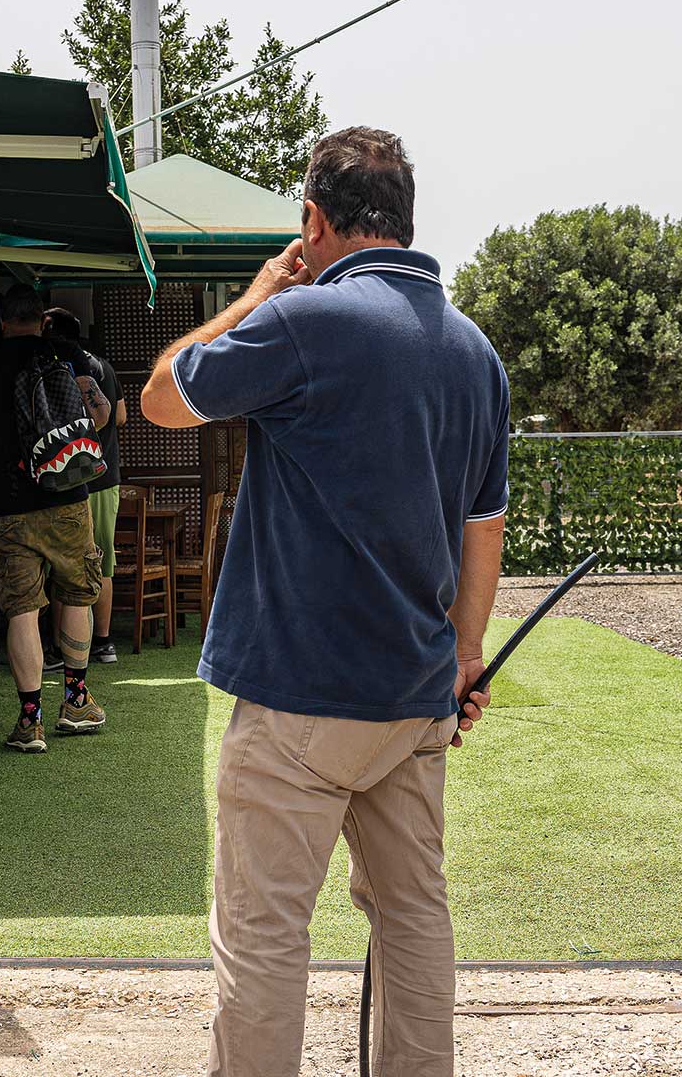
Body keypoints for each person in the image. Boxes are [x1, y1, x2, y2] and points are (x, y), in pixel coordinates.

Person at [139, 128, 509, 1077]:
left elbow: (161, 399)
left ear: (314, 219)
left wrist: (261, 294)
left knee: (264, 936)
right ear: (406, 219)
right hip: (412, 696)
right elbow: (482, 528)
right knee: (413, 919)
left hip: (298, 694)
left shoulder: (304, 321)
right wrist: (465, 657)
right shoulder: (475, 355)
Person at [0, 283, 114, 754]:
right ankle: (75, 703)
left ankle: (29, 722)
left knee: (22, 608)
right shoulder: (66, 356)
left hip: (5, 503)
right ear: (41, 319)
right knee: (75, 592)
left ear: (2, 321)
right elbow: (102, 416)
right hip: (66, 494)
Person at [43, 307, 124, 667]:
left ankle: (60, 650)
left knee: (66, 564)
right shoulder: (103, 366)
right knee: (102, 560)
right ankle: (104, 643)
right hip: (106, 477)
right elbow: (119, 416)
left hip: (67, 478)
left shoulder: (54, 368)